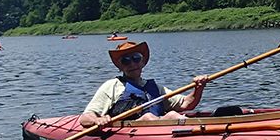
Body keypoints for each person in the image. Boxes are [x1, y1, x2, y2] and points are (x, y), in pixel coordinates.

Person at [78, 40, 210, 127]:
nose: (132, 64)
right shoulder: (112, 86)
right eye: (126, 61)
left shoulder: (155, 88)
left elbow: (186, 104)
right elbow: (85, 118)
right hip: (129, 128)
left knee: (172, 115)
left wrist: (198, 87)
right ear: (120, 66)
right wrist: (97, 120)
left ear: (142, 62)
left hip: (159, 129)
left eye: (136, 59)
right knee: (149, 117)